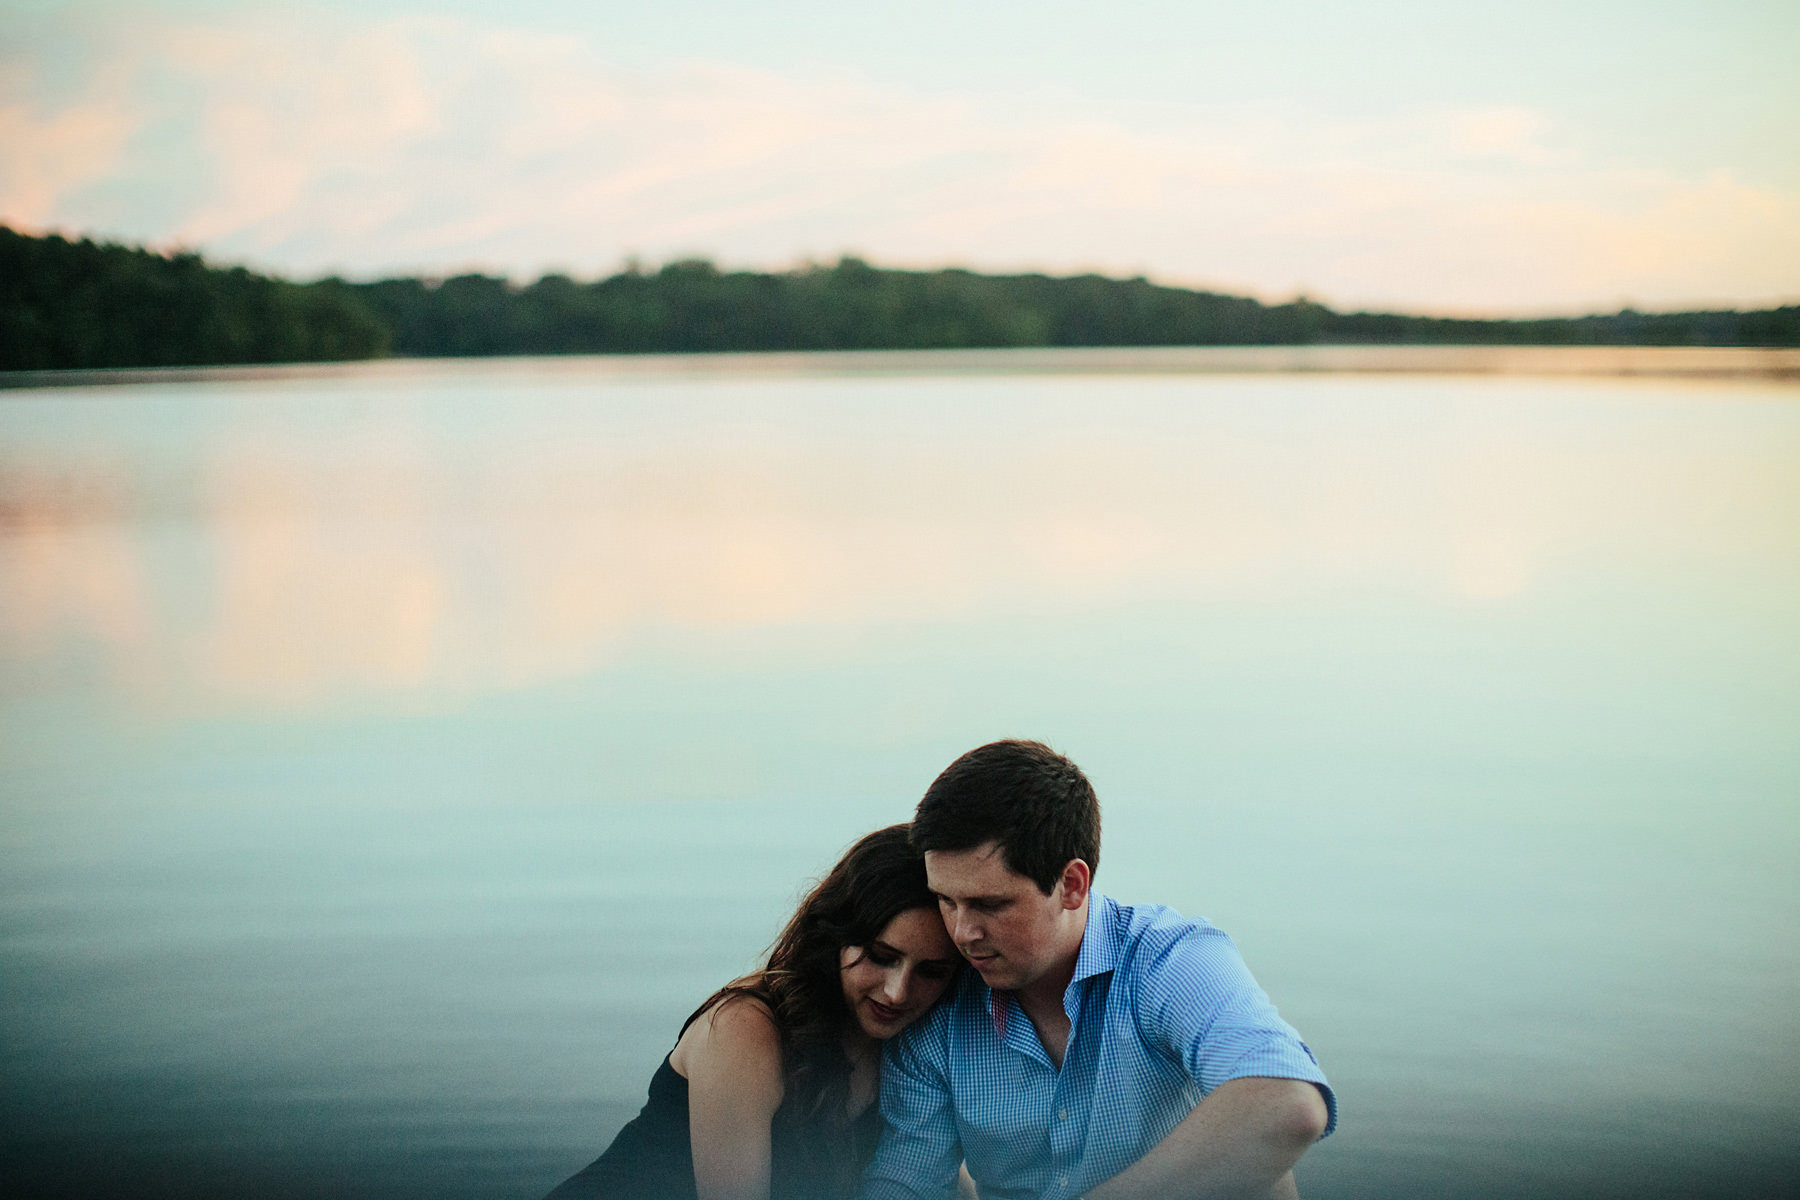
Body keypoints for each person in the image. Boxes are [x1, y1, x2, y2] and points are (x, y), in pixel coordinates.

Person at [864, 741, 1336, 1200]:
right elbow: (907, 1183)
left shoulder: (1168, 960)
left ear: (1072, 884)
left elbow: (1289, 1104)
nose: (963, 932)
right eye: (946, 900)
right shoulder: (936, 997)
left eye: (991, 904)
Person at [547, 825, 961, 1200]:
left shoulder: (917, 1046)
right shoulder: (746, 1027)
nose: (896, 993)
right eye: (879, 956)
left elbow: (929, 1175)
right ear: (835, 933)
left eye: (931, 971)